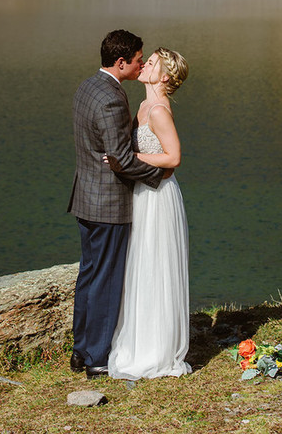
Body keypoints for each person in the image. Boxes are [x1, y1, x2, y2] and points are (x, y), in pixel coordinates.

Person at [67, 29, 164, 379]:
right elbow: (120, 157)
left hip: (85, 198)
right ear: (121, 62)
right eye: (138, 60)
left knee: (90, 275)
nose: (140, 65)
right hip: (108, 203)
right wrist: (159, 175)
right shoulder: (112, 98)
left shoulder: (87, 86)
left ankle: (81, 350)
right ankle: (96, 358)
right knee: (107, 280)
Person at [107, 47, 191, 380]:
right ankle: (138, 339)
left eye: (151, 63)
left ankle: (156, 349)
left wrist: (131, 162)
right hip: (141, 194)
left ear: (165, 77)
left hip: (157, 197)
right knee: (139, 265)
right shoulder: (142, 105)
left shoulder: (158, 110)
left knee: (155, 263)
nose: (144, 65)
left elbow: (173, 158)